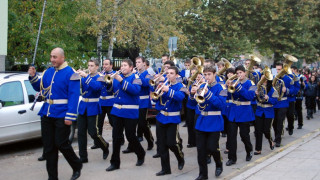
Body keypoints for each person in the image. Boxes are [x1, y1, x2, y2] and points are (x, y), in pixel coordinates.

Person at [28, 47, 82, 180]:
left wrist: (70, 116)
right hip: (47, 113)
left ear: (62, 58)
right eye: (51, 56)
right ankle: (52, 177)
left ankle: (77, 165)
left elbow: (74, 96)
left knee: (61, 143)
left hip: (62, 114)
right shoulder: (48, 72)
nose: (52, 59)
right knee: (49, 147)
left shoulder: (71, 73)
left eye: (55, 57)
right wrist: (33, 76)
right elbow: (39, 87)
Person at [105, 59, 146, 171]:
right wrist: (109, 83)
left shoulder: (135, 78)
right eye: (121, 65)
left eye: (125, 65)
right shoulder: (117, 77)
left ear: (131, 68)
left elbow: (135, 91)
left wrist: (122, 81)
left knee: (130, 136)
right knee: (116, 138)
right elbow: (110, 91)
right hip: (117, 111)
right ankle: (115, 163)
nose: (122, 67)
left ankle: (140, 153)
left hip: (130, 112)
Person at [190, 66, 226, 179]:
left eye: (209, 74)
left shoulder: (221, 87)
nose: (207, 77)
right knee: (201, 151)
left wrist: (208, 94)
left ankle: (219, 164)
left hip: (214, 122)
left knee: (212, 147)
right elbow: (192, 105)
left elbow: (221, 105)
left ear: (215, 74)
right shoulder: (200, 86)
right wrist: (192, 94)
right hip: (201, 121)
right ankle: (203, 174)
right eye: (205, 75)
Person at [153, 66, 187, 176]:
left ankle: (180, 157)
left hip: (173, 118)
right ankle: (165, 169)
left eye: (171, 73)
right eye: (167, 73)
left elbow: (180, 97)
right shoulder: (163, 85)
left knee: (172, 143)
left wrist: (168, 90)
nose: (168, 75)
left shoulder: (180, 86)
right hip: (161, 117)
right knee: (162, 145)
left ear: (177, 75)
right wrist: (157, 92)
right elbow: (154, 99)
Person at [76, 59, 109, 163]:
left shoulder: (100, 77)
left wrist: (86, 76)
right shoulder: (85, 77)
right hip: (83, 106)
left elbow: (96, 87)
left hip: (93, 105)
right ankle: (83, 157)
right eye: (88, 65)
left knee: (93, 132)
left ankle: (105, 146)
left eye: (91, 65)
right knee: (81, 133)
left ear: (97, 67)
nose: (89, 67)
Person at [225, 65, 255, 166]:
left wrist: (238, 87)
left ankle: (249, 150)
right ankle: (232, 158)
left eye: (240, 73)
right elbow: (229, 97)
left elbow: (249, 96)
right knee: (232, 136)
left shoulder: (250, 83)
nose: (239, 75)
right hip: (233, 112)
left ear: (245, 73)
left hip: (244, 112)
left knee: (244, 135)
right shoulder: (234, 83)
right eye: (237, 73)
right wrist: (228, 87)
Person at [123, 56, 154, 152]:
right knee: (131, 126)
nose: (137, 64)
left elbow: (145, 83)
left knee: (142, 124)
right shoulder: (133, 74)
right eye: (136, 62)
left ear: (144, 64)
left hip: (143, 103)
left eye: (139, 62)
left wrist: (136, 75)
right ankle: (131, 146)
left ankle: (150, 140)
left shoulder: (148, 74)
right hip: (134, 103)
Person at [272, 63, 295, 147]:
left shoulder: (288, 79)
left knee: (280, 121)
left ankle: (278, 139)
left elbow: (293, 90)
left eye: (279, 69)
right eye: (277, 69)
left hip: (283, 103)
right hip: (274, 103)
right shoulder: (273, 78)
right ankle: (276, 136)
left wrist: (287, 90)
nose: (278, 71)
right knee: (274, 122)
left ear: (283, 70)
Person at [254, 77, 277, 155]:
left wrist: (268, 98)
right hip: (259, 111)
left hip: (268, 112)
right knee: (258, 130)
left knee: (266, 130)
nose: (264, 81)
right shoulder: (259, 88)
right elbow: (256, 99)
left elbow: (275, 101)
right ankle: (258, 149)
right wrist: (255, 95)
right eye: (263, 80)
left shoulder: (273, 89)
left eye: (266, 80)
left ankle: (270, 141)